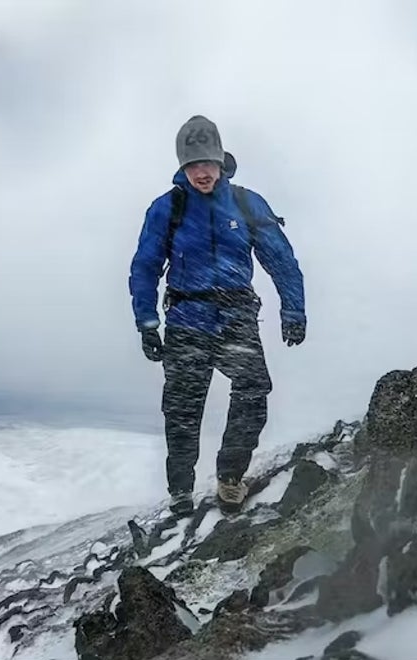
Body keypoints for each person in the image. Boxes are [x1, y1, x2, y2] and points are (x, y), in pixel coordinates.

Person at [128, 115, 307, 516]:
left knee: (253, 392)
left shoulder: (246, 203)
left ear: (221, 162)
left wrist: (293, 309)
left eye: (207, 164)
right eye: (193, 166)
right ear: (182, 166)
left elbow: (281, 260)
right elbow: (145, 265)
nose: (201, 173)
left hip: (235, 318)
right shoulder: (167, 208)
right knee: (182, 409)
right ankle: (180, 491)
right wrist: (146, 322)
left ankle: (229, 478)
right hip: (186, 321)